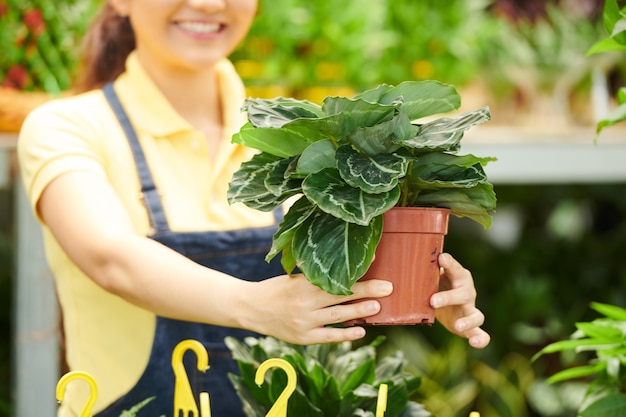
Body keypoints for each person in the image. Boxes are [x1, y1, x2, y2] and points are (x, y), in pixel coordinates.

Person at [17, 1, 490, 416]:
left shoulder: (297, 134)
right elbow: (111, 259)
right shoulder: (67, 127)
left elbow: (327, 280)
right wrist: (254, 306)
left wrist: (419, 288)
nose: (208, 3)